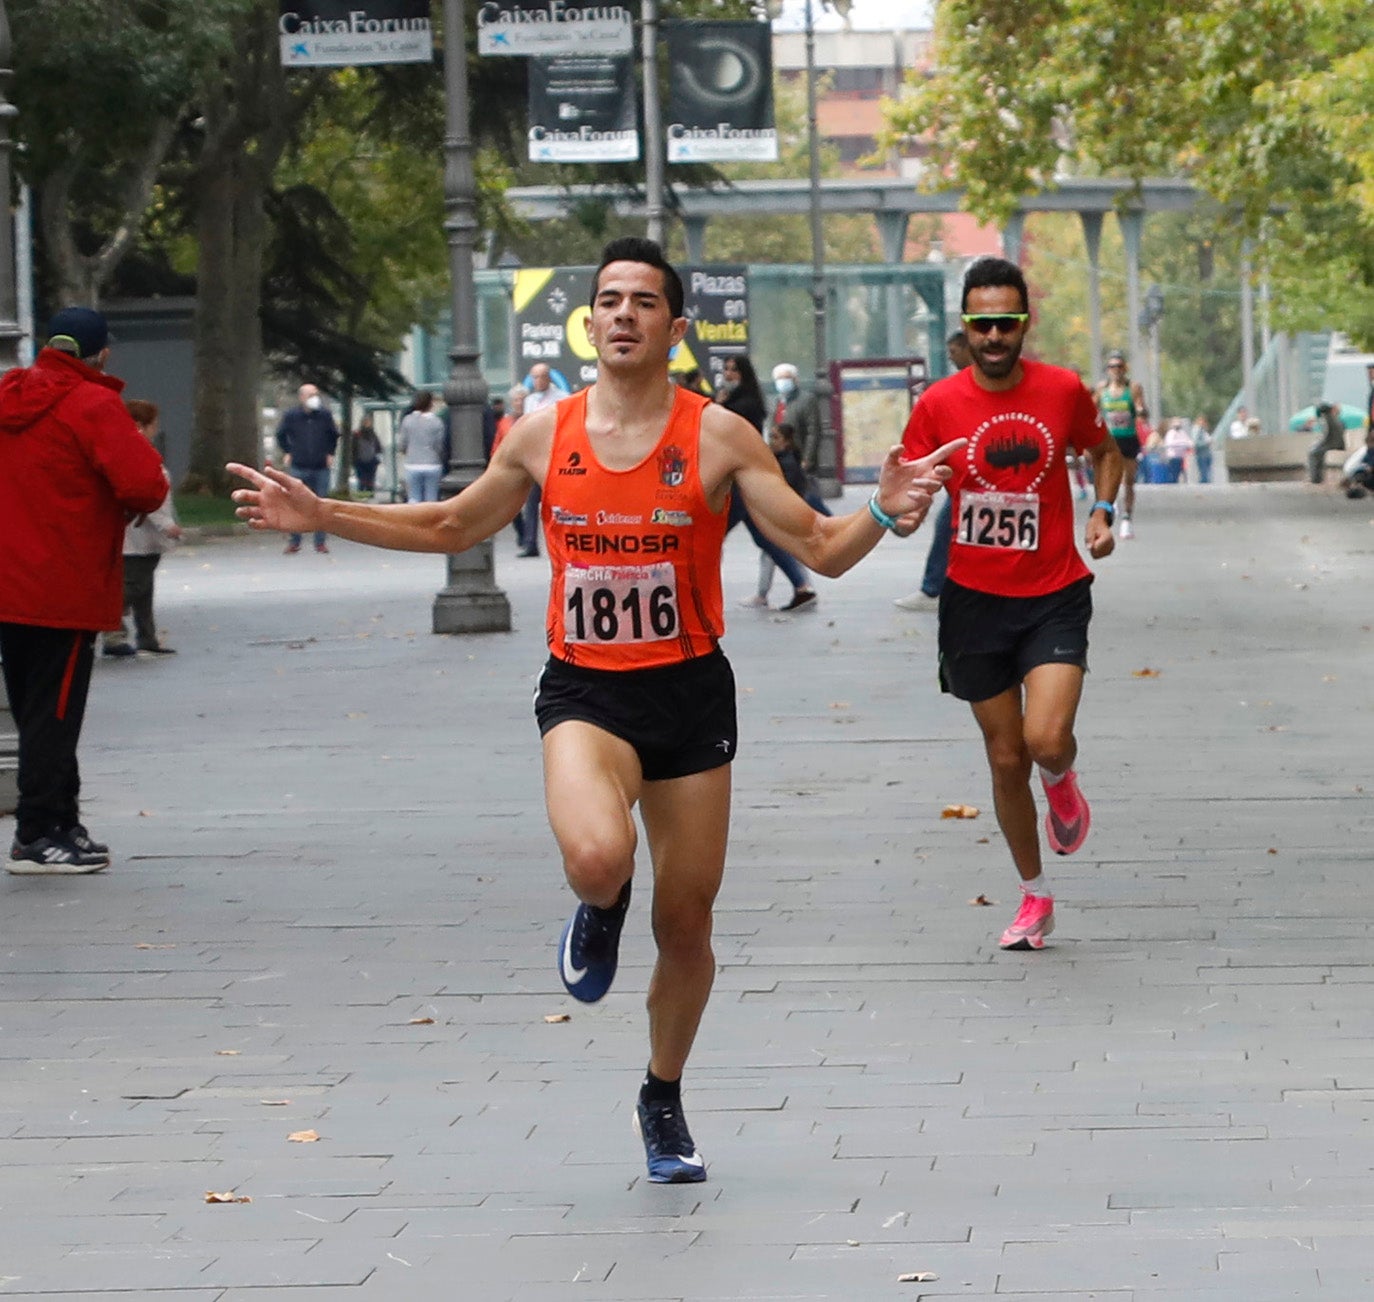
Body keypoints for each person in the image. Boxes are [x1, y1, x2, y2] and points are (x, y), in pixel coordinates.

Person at [228, 236, 961, 1184]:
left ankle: (662, 1094)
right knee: (598, 855)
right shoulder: (541, 433)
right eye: (608, 300)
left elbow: (820, 548)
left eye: (644, 302)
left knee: (688, 927)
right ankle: (598, 901)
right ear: (589, 322)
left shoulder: (719, 437)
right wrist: (325, 515)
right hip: (586, 689)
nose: (623, 315)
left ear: (675, 327)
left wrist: (889, 511)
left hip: (690, 695)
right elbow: (453, 523)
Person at [901, 257, 1123, 953]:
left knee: (1043, 740)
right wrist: (905, 509)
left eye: (1006, 321)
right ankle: (1035, 896)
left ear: (1024, 323)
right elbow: (910, 481)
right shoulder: (938, 403)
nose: (994, 335)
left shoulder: (1061, 390)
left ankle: (1061, 777)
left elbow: (1105, 451)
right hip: (973, 602)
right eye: (982, 323)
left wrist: (1103, 508)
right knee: (1003, 760)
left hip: (1054, 591)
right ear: (965, 327)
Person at [0, 308, 168, 873]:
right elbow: (145, 485)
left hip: (8, 581)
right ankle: (38, 833)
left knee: (36, 710)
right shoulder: (92, 405)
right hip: (63, 583)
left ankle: (63, 823)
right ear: (101, 354)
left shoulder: (7, 395)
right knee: (56, 712)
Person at [721, 354, 818, 612]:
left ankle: (695, 592)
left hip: (737, 479)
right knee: (764, 536)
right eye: (726, 369)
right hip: (737, 479)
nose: (728, 374)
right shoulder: (733, 400)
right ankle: (801, 586)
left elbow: (812, 431)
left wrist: (806, 460)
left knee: (712, 534)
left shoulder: (746, 403)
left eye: (734, 370)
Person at [894, 330, 973, 612]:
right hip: (961, 477)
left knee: (947, 528)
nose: (950, 357)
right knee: (948, 528)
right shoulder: (951, 391)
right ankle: (935, 586)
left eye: (954, 351)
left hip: (971, 476)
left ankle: (933, 587)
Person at [103, 399, 183, 658]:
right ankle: (110, 626)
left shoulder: (120, 451)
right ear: (140, 425)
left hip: (136, 534)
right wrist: (167, 525)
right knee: (134, 585)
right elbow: (149, 493)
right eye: (153, 424)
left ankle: (146, 635)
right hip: (138, 535)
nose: (155, 429)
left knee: (144, 587)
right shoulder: (140, 455)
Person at [274, 383, 339, 554]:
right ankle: (295, 540)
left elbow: (333, 435)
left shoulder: (324, 415)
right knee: (296, 503)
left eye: (316, 394)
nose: (314, 398)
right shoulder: (292, 416)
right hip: (299, 465)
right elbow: (280, 434)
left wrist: (330, 453)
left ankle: (320, 542)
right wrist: (288, 451)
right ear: (302, 397)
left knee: (321, 504)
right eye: (310, 395)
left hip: (320, 466)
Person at [1094, 351, 1146, 538]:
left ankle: (1126, 518)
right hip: (1109, 440)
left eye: (1119, 366)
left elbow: (1141, 409)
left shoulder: (1133, 388)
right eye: (1112, 367)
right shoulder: (1102, 389)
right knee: (1105, 479)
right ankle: (1106, 511)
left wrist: (1140, 411)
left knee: (1129, 481)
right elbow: (1093, 410)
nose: (1115, 370)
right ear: (1107, 370)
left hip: (1128, 438)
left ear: (1124, 369)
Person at [516, 364, 565, 557]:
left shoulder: (561, 398)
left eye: (541, 377)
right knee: (531, 501)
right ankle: (530, 543)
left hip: (555, 456)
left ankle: (561, 543)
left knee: (559, 504)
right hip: (535, 456)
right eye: (534, 377)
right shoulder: (530, 400)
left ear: (548, 378)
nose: (537, 381)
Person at [398, 391, 446, 504]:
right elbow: (439, 445)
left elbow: (402, 444)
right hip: (432, 464)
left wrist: (407, 451)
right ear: (430, 404)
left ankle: (414, 519)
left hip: (413, 463)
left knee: (414, 497)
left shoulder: (408, 420)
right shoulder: (437, 422)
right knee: (431, 499)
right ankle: (430, 519)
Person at [1305, 401, 1347, 485]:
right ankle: (1317, 478)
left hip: (1332, 444)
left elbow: (1326, 436)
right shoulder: (1335, 418)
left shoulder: (1327, 419)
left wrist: (1317, 445)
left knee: (1313, 453)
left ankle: (1315, 478)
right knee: (1317, 452)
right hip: (1337, 443)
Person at [352, 415, 382, 495]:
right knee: (362, 482)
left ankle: (368, 495)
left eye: (368, 422)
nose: (367, 424)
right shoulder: (357, 434)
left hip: (370, 462)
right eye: (366, 422)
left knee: (369, 482)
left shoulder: (372, 434)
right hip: (360, 462)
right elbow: (353, 448)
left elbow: (378, 447)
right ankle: (363, 496)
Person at [1163, 418, 1192, 484]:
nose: (1177, 426)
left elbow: (1189, 442)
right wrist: (1181, 443)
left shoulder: (1183, 433)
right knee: (1173, 474)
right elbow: (1170, 443)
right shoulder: (1170, 433)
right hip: (1173, 457)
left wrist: (1183, 443)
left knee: (1182, 474)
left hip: (1181, 457)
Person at [1190, 413, 1214, 484]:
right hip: (1201, 454)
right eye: (1201, 421)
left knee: (1207, 473)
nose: (1203, 423)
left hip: (1207, 453)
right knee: (1204, 474)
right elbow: (1196, 443)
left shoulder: (1203, 430)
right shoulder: (1196, 429)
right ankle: (1203, 487)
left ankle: (1206, 485)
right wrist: (1206, 443)